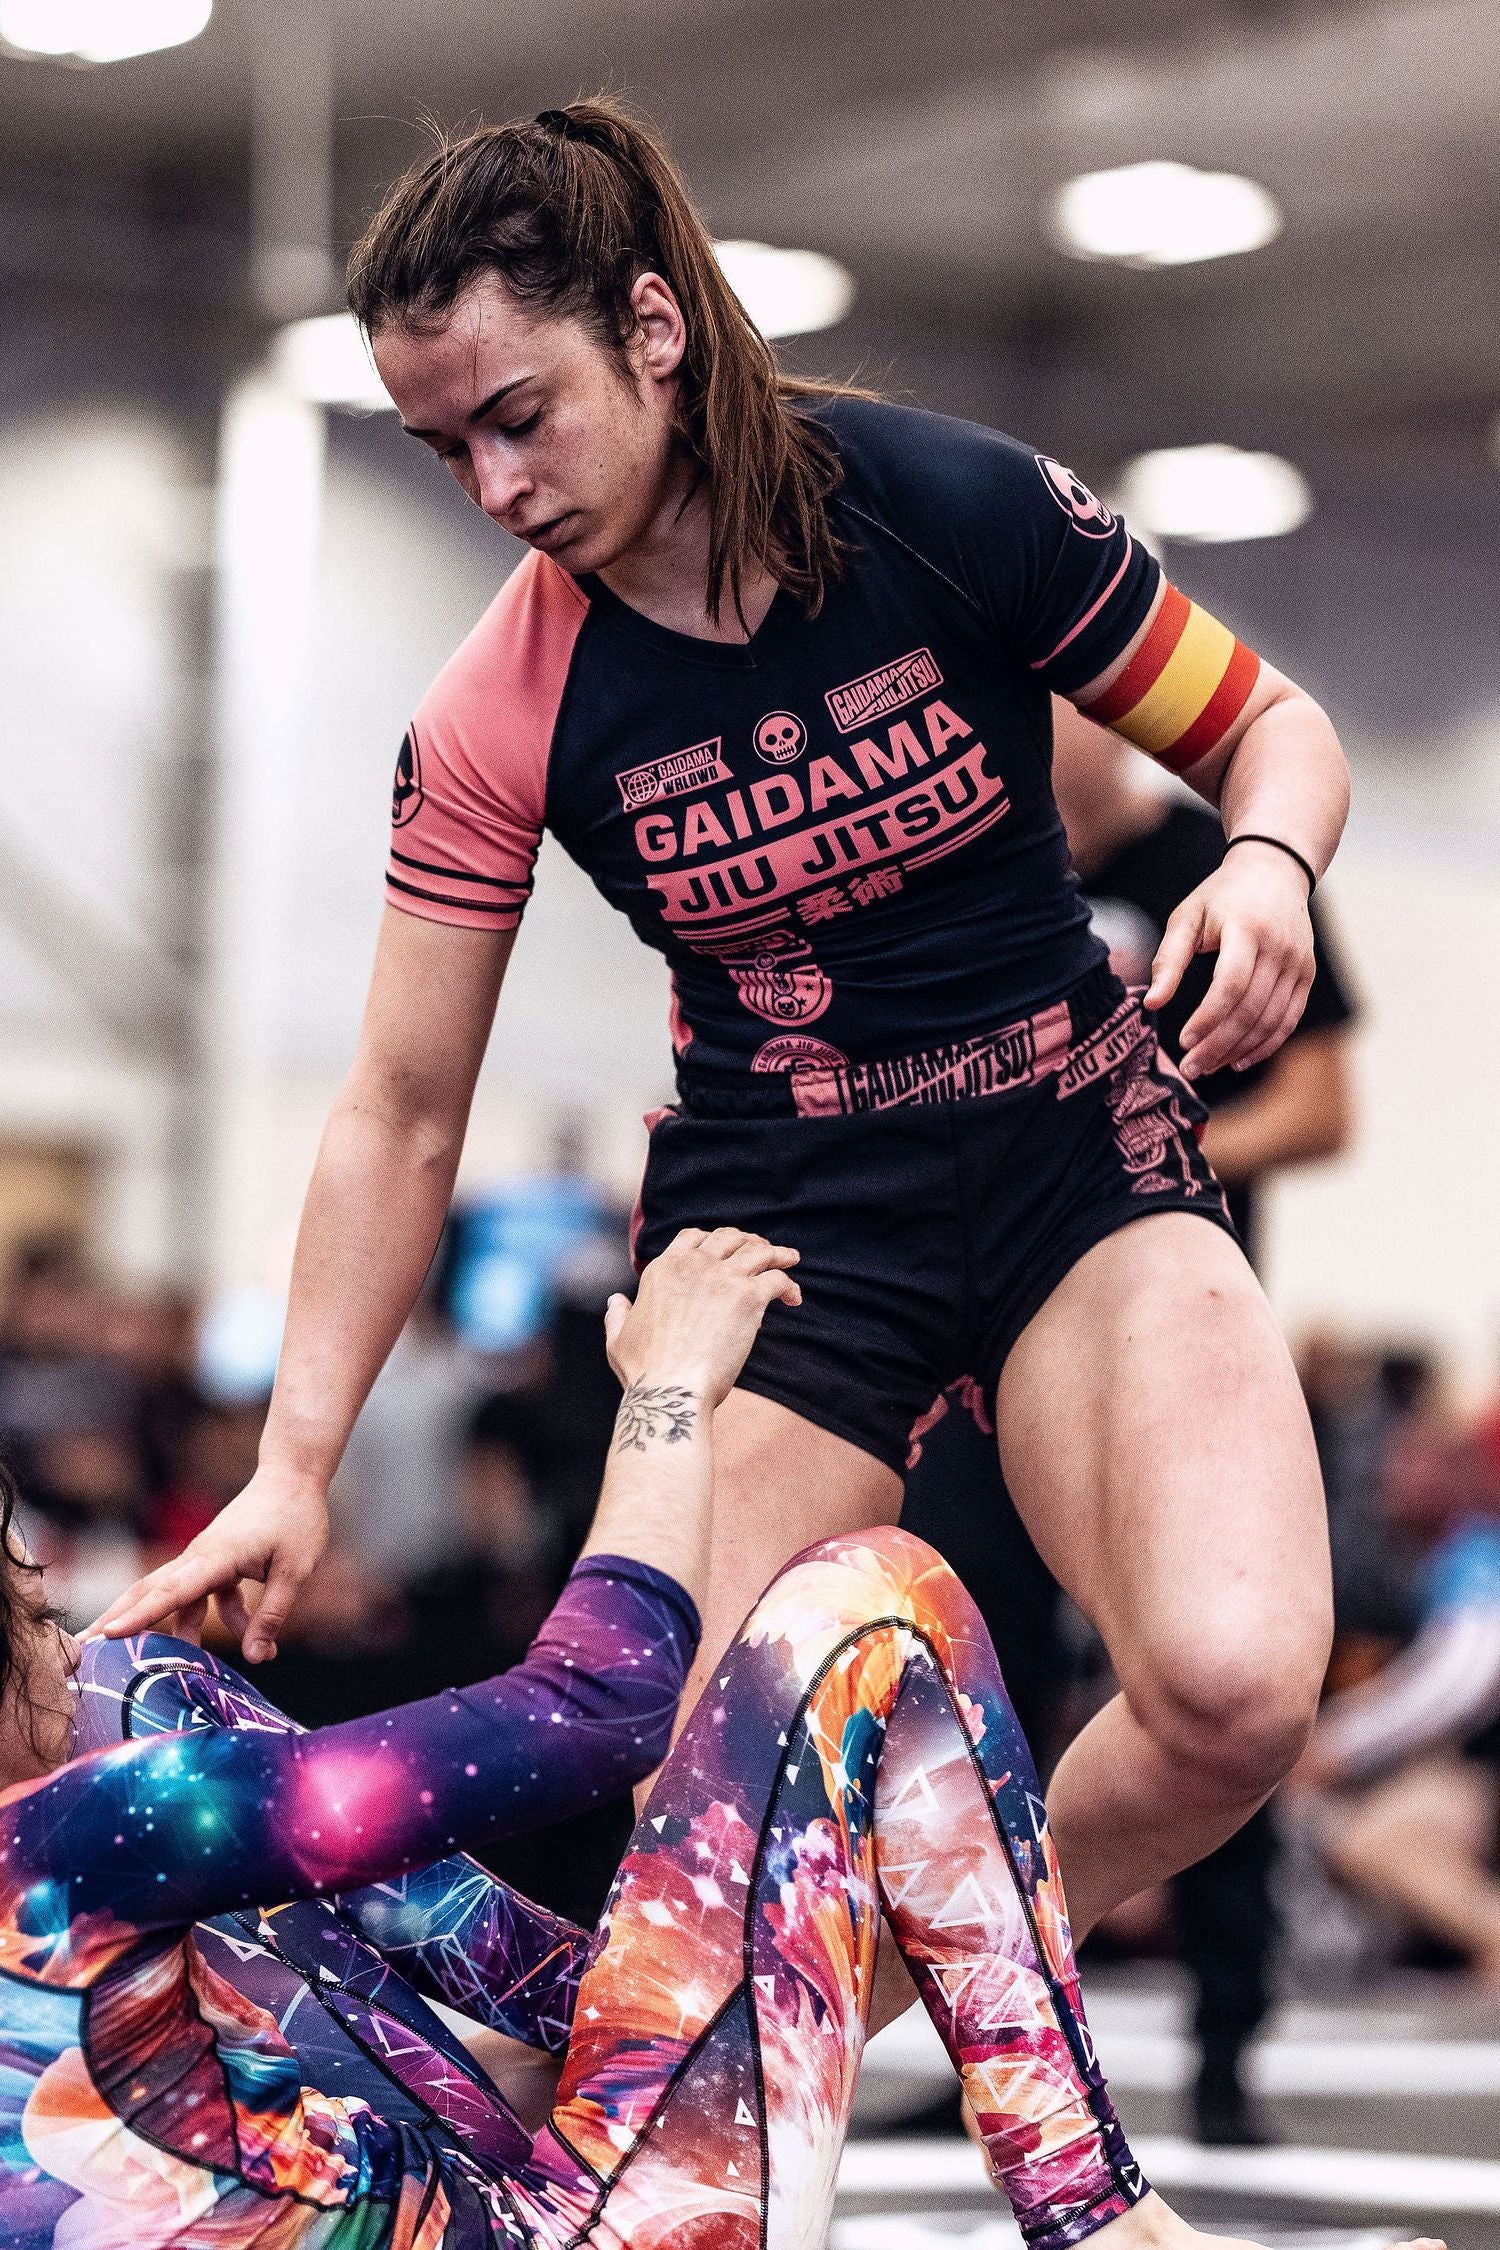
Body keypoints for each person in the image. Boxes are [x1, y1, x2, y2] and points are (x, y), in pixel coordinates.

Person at [101, 96, 1343, 1949]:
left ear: (656, 329)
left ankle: (875, 2013)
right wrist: (294, 1465)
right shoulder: (497, 707)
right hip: (789, 1213)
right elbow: (399, 1109)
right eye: (446, 449)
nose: (497, 489)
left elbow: (1271, 727)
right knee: (684, 1820)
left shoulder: (950, 507)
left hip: (1066, 1139)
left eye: (520, 417)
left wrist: (1264, 865)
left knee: (1231, 1694)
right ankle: (698, 2055)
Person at [7, 1230, 1430, 2250]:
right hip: (587, 2225)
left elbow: (508, 1965)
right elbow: (599, 1701)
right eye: (27, 1601)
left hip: (515, 2171)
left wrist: (719, 1959)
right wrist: (668, 1391)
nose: (63, 1620)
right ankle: (1100, 2216)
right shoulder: (94, 1830)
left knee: (147, 1684)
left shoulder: (133, 1732)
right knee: (879, 1598)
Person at [1296, 1410, 1500, 1985]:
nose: (1393, 1474)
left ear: (1462, 1475)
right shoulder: (1421, 1559)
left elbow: (1461, 1676)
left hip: (1483, 1770)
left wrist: (1339, 1740)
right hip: (1469, 1766)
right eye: (1392, 1459)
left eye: (1415, 1461)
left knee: (1374, 1841)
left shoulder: (1477, 1551)